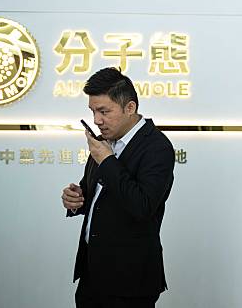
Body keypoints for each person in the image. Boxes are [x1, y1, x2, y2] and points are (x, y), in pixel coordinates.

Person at [61, 67, 175, 308]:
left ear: (130, 107)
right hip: (92, 274)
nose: (96, 120)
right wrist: (76, 200)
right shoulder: (103, 141)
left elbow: (142, 206)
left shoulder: (157, 147)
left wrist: (107, 161)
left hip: (130, 281)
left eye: (104, 111)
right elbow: (98, 196)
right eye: (93, 111)